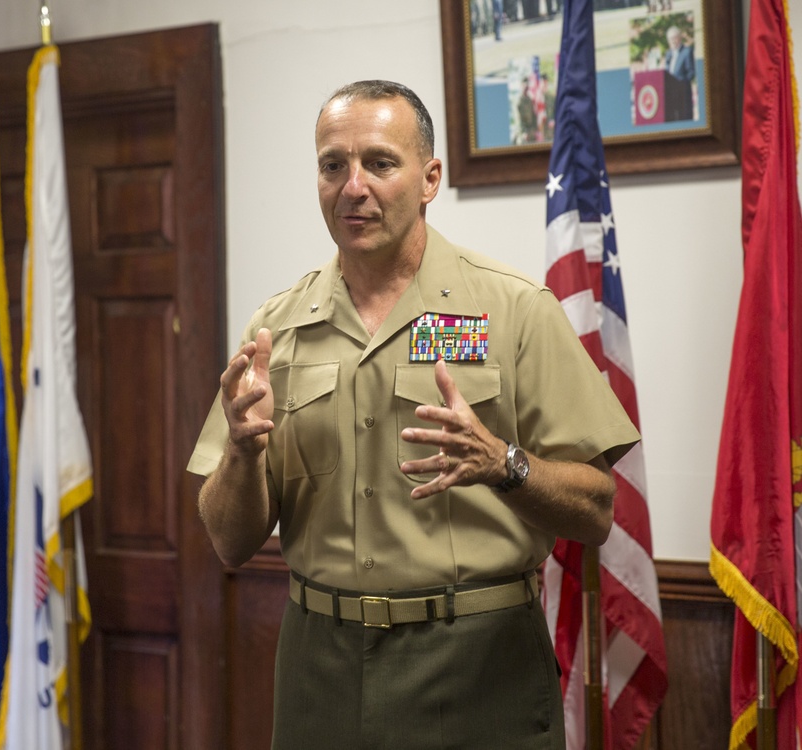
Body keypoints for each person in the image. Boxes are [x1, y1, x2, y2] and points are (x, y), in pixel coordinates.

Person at [187, 80, 639, 749]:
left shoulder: (512, 310)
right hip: (321, 670)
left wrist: (502, 464)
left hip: (477, 668)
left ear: (429, 178)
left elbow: (596, 510)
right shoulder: (277, 328)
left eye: (380, 162)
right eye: (332, 165)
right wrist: (244, 455)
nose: (353, 187)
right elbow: (229, 542)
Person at [663, 25, 694, 120]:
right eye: (669, 39)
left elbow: (691, 72)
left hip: (683, 94)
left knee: (684, 119)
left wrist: (680, 84)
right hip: (670, 95)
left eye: (673, 38)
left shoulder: (687, 51)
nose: (672, 41)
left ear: (679, 38)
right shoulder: (668, 54)